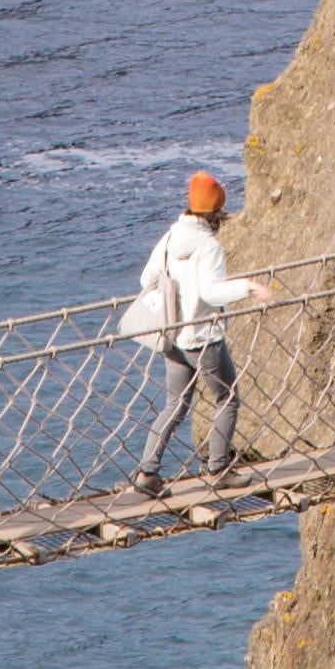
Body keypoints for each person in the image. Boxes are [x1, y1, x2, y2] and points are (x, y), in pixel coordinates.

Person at [124, 173, 266, 482]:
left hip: (172, 337)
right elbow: (211, 293)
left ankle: (147, 473)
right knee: (227, 398)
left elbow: (147, 278)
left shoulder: (171, 237)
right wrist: (249, 287)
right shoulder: (208, 246)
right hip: (202, 337)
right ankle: (218, 469)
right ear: (216, 212)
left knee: (175, 405)